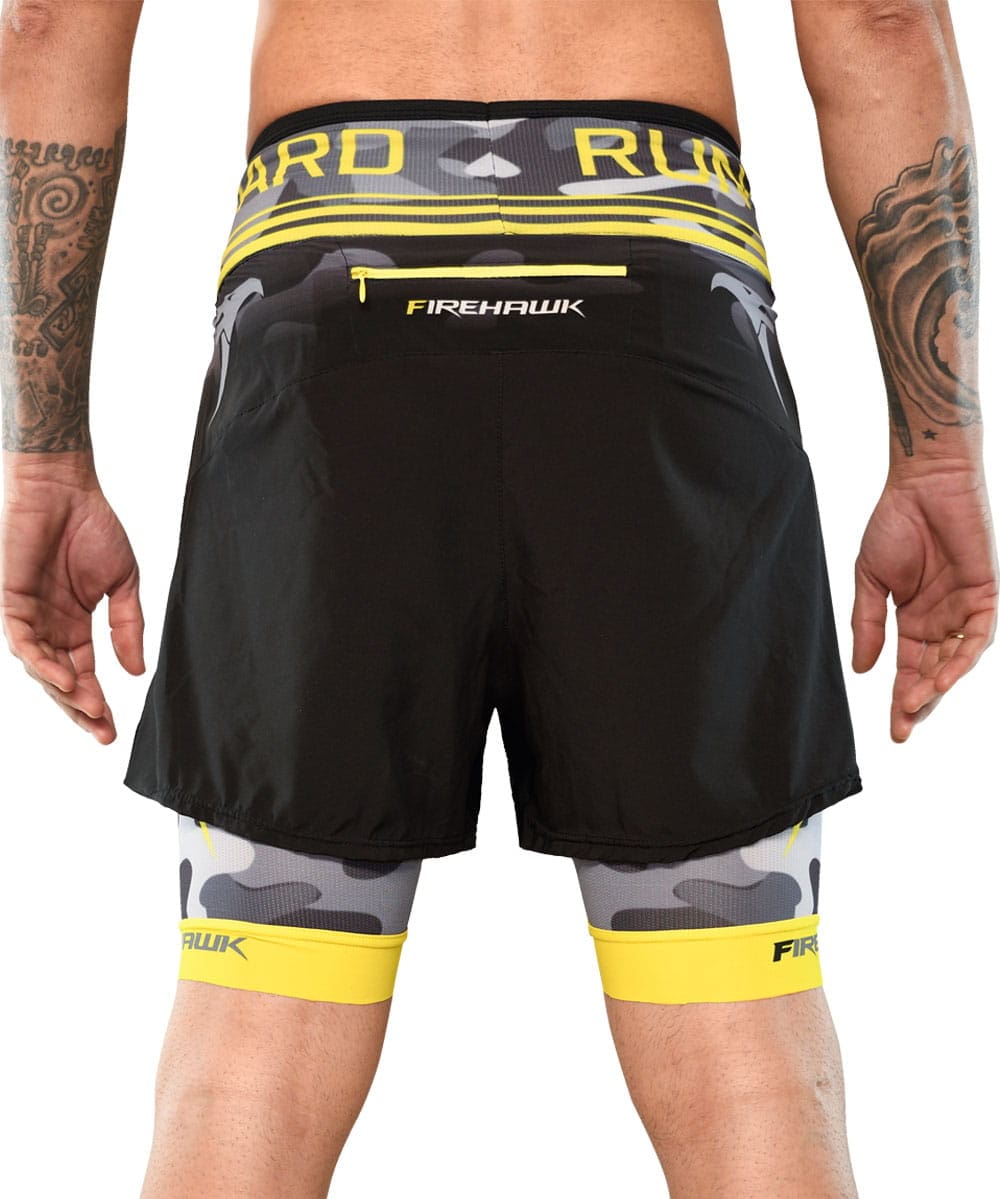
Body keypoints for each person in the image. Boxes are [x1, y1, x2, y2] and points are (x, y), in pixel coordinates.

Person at [0, 1, 995, 1195]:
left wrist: (44, 459)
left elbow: (47, 23)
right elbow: (882, 20)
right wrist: (938, 453)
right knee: (743, 1047)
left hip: (331, 315)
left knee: (253, 1046)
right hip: (654, 305)